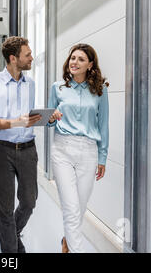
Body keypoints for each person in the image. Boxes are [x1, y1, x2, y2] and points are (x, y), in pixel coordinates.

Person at [47, 43, 109, 253]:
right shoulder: (58, 87)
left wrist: (103, 156)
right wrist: (51, 118)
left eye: (81, 59)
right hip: (62, 149)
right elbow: (49, 120)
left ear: (90, 65)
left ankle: (67, 241)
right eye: (73, 58)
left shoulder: (100, 90)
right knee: (71, 208)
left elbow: (103, 125)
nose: (74, 62)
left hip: (89, 151)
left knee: (79, 207)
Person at [0, 36, 42, 253]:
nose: (32, 58)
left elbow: (30, 116)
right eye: (27, 55)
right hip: (2, 151)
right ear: (13, 58)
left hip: (28, 149)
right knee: (5, 209)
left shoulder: (31, 84)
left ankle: (12, 235)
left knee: (29, 202)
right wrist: (19, 121)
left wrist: (46, 117)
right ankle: (11, 254)